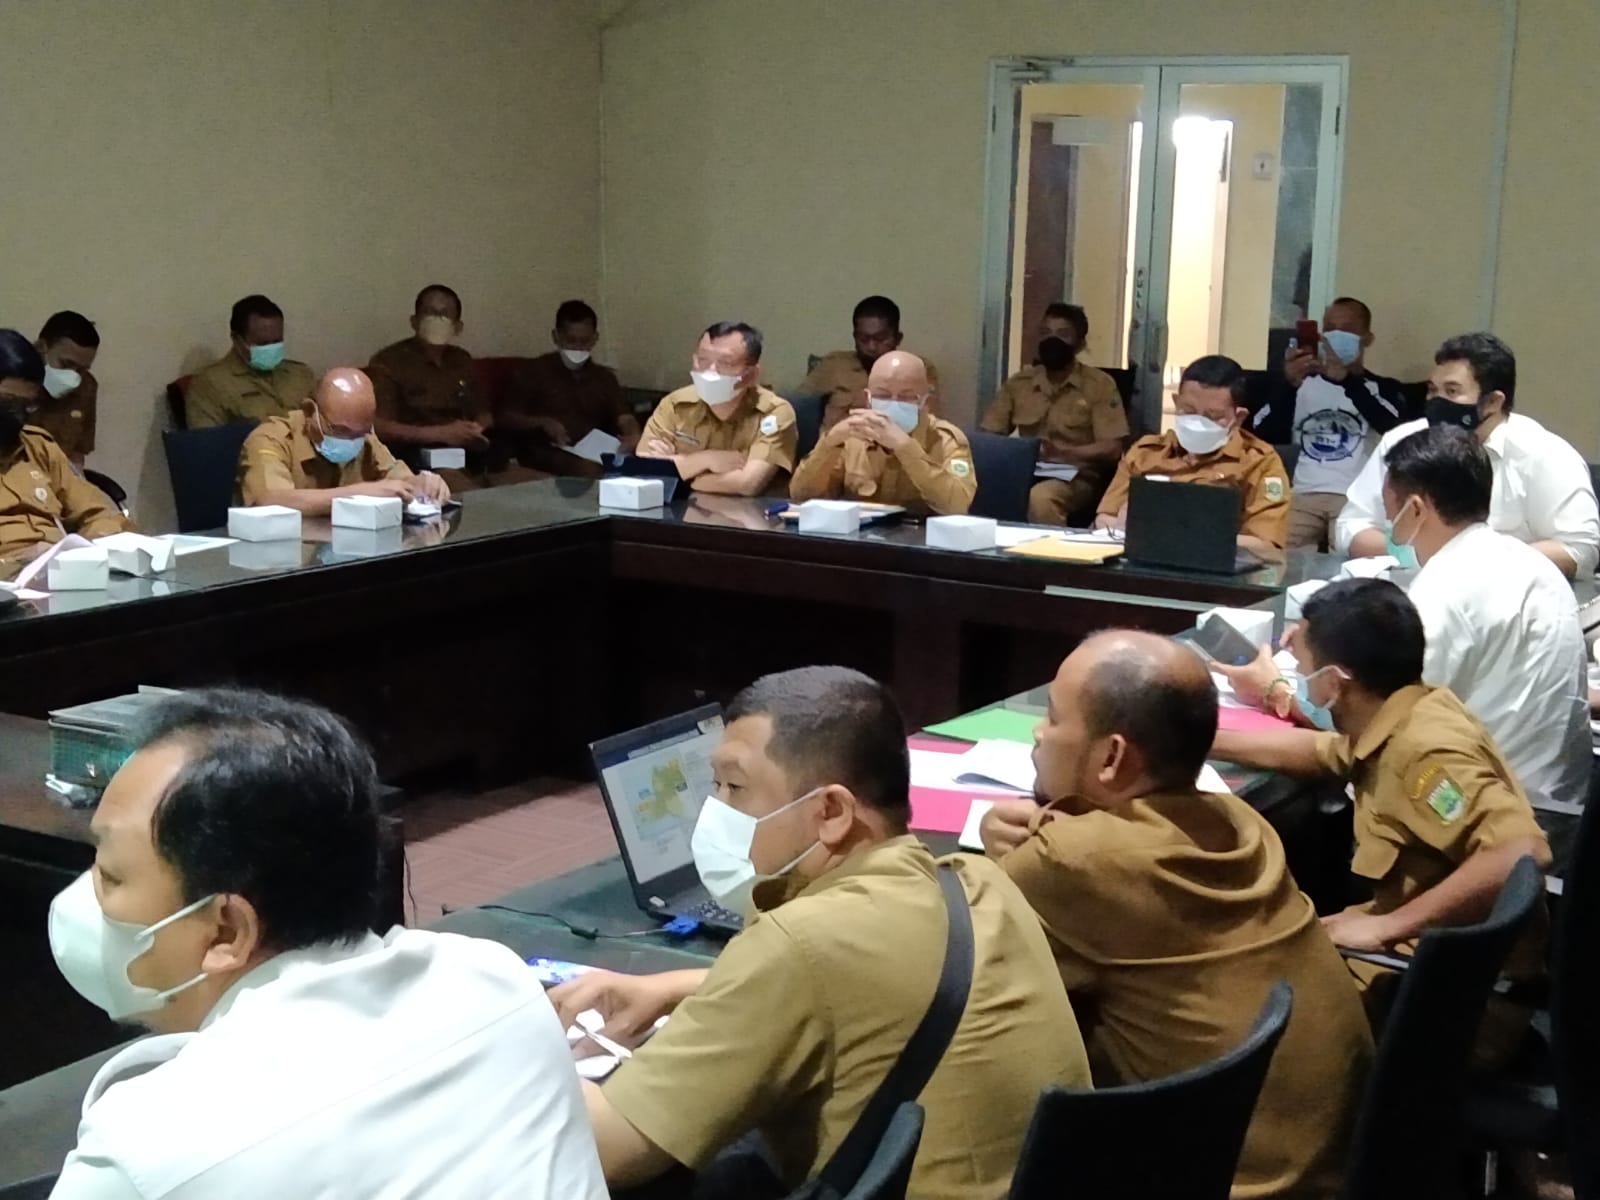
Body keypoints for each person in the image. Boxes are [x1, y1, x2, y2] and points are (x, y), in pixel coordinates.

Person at [548, 666, 1090, 1199]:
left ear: (830, 811)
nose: (715, 812)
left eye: (735, 787)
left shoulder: (800, 943)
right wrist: (672, 985)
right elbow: (861, 976)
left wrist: (519, 1045)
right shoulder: (978, 881)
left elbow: (608, 1151)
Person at [47, 688, 607, 1199]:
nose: (88, 895)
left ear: (225, 932)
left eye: (112, 874)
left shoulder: (147, 1148)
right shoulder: (493, 980)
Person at [979, 631, 1372, 1200]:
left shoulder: (1073, 862)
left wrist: (1026, 848)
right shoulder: (1246, 825)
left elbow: (953, 947)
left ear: (1113, 757)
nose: (1039, 733)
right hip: (1324, 1165)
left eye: (1053, 718)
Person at [1212, 579, 1551, 1059]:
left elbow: (1523, 849)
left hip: (1455, 1006)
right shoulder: (1408, 712)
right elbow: (1324, 751)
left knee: (1221, 1013)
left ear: (1335, 682)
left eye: (1305, 671)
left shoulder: (1424, 753)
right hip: (1435, 972)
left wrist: (1388, 927)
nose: (1302, 681)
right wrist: (1200, 736)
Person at [1223, 426, 1590, 837]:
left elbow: (1372, 727)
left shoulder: (1448, 590)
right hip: (1555, 809)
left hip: (1481, 818)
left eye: (1388, 513)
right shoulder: (1531, 562)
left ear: (1415, 510)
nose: (1387, 530)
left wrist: (1278, 688)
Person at [1335, 332, 1599, 579]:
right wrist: (1413, 553)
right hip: (1405, 594)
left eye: (1452, 392)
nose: (1436, 402)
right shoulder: (1402, 442)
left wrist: (1477, 562)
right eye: (1432, 390)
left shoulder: (1546, 455)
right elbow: (1351, 528)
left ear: (1493, 402)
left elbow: (1579, 550)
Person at [1250, 297, 1404, 550]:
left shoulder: (1381, 388)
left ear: (1367, 338)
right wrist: (1287, 385)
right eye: (1330, 328)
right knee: (1268, 551)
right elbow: (1262, 432)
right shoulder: (1300, 383)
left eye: (1348, 329)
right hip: (1302, 494)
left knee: (1355, 555)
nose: (1336, 335)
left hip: (1354, 498)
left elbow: (1396, 429)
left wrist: (1348, 381)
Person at [1096, 355, 1290, 556]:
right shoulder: (1146, 452)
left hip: (1216, 570)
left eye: (1213, 416)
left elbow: (1265, 543)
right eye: (1188, 410)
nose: (1198, 421)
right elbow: (1104, 517)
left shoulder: (1259, 462)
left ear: (1238, 417)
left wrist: (1178, 535)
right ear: (1176, 401)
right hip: (1142, 562)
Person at [980, 303, 1128, 525]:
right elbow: (989, 434)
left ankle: (1048, 556)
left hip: (1076, 476)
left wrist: (1065, 452)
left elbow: (1112, 448)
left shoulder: (1099, 385)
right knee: (975, 485)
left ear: (1080, 343)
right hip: (1026, 469)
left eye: (1063, 334)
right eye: (1045, 333)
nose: (1052, 340)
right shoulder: (1020, 383)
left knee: (1041, 499)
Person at [0, 330, 129, 576]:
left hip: (58, 578)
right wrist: (18, 564)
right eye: (8, 404)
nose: (18, 415)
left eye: (27, 405)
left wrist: (92, 547)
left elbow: (98, 513)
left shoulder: (38, 447)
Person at [236, 367, 451, 513]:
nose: (352, 440)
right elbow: (268, 502)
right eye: (341, 430)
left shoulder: (364, 437)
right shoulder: (271, 439)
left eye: (361, 432)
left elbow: (399, 479)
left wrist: (424, 485)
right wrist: (358, 495)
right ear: (311, 411)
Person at [789, 351, 975, 515]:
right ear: (868, 399)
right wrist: (829, 444)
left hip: (921, 548)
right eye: (883, 395)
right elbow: (801, 495)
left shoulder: (946, 440)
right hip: (860, 546)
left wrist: (906, 448)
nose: (894, 403)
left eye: (906, 396)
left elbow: (957, 506)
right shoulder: (852, 435)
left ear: (925, 401)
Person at [637, 322, 797, 496]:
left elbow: (746, 484)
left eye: (725, 363)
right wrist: (704, 460)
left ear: (751, 374)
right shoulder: (675, 404)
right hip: (677, 512)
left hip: (746, 517)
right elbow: (643, 469)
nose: (710, 371)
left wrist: (677, 471)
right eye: (703, 360)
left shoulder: (774, 412)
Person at [367, 285, 493, 487]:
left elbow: (484, 412)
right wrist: (439, 433)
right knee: (461, 487)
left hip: (466, 449)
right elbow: (377, 426)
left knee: (518, 481)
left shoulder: (462, 359)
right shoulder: (389, 361)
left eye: (445, 314)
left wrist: (476, 428)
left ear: (458, 326)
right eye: (430, 312)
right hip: (416, 453)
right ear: (414, 321)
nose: (437, 319)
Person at [498, 299, 639, 478]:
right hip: (547, 450)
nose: (578, 348)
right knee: (590, 471)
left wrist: (633, 434)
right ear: (556, 337)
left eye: (585, 341)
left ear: (595, 339)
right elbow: (505, 417)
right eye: (571, 341)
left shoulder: (604, 377)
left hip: (596, 449)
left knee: (646, 466)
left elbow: (624, 417)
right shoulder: (532, 371)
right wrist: (543, 422)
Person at [800, 295, 941, 431]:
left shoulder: (918, 368)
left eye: (880, 338)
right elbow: (797, 405)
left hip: (896, 449)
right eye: (863, 339)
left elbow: (929, 422)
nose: (871, 347)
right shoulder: (835, 365)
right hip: (837, 447)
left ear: (898, 338)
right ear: (854, 336)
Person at [185, 295, 315, 429]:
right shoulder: (211, 384)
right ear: (236, 339)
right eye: (262, 343)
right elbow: (208, 444)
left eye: (277, 341)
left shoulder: (301, 374)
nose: (270, 349)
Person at [33, 310, 102, 467]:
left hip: (56, 481)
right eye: (66, 365)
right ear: (40, 348)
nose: (73, 377)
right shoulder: (12, 383)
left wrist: (78, 484)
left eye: (82, 369)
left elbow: (76, 454)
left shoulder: (86, 387)